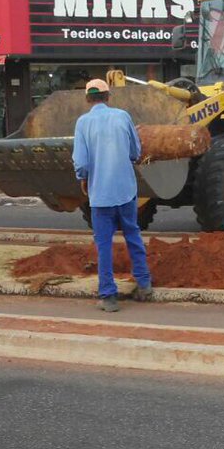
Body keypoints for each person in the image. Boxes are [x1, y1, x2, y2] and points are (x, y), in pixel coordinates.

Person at [73, 78, 152, 313]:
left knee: (104, 244)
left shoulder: (83, 123)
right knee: (133, 234)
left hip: (100, 195)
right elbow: (135, 151)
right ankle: (144, 284)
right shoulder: (123, 116)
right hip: (126, 190)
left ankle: (108, 296)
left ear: (88, 98)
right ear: (108, 96)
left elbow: (81, 162)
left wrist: (83, 179)